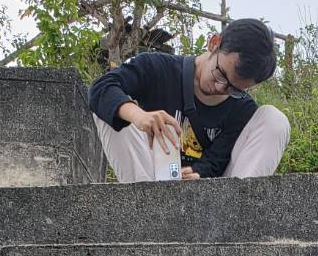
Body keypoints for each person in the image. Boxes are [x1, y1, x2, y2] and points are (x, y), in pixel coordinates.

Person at [88, 17, 290, 183]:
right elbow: (100, 89)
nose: (221, 88)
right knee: (111, 104)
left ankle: (238, 211)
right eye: (221, 75)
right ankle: (144, 208)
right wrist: (139, 116)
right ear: (214, 43)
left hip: (213, 200)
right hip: (150, 180)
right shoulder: (158, 67)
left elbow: (217, 160)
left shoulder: (240, 108)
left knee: (274, 120)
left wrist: (199, 174)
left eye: (234, 88)